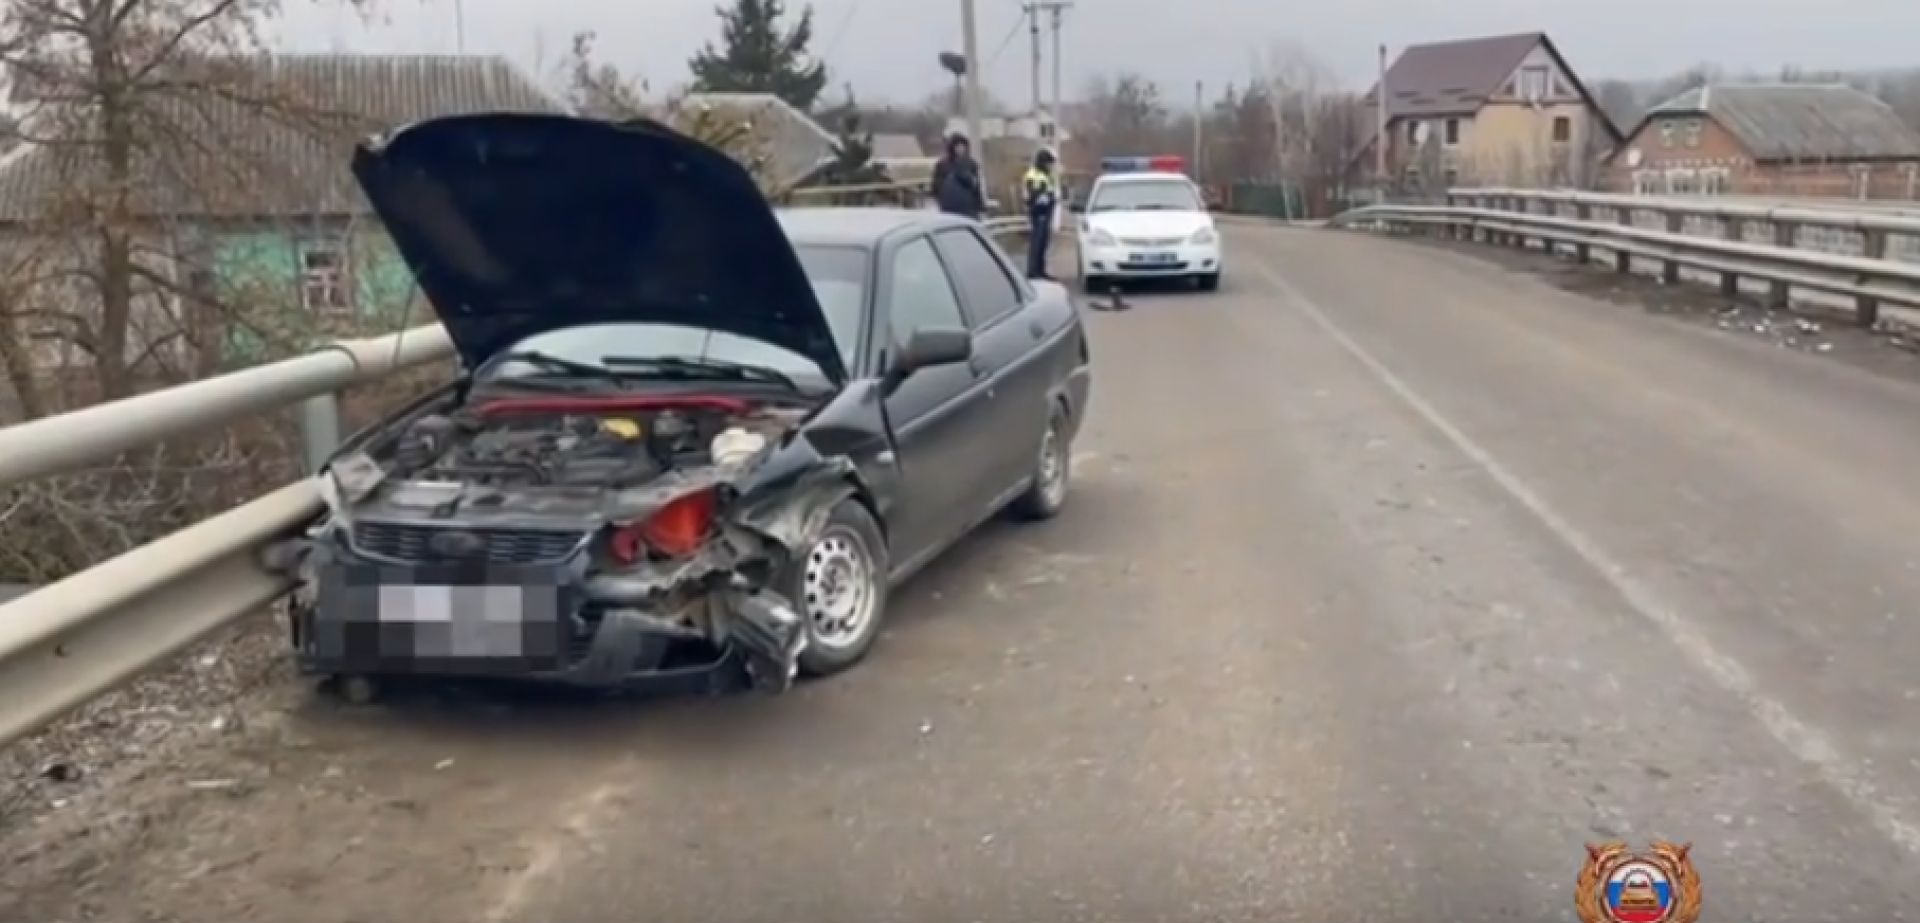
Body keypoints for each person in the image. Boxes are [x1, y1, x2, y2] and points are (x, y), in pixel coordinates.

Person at [1022, 148, 1058, 279]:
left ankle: (1040, 269)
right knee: (1037, 242)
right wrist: (1044, 198)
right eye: (1049, 163)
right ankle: (1033, 270)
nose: (1051, 166)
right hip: (1039, 212)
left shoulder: (1046, 175)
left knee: (1043, 242)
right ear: (1043, 162)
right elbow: (1033, 194)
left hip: (1045, 211)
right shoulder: (1034, 175)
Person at [931, 133, 986, 219]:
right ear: (952, 147)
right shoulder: (942, 165)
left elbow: (976, 188)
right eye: (957, 146)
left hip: (969, 206)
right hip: (949, 207)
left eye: (962, 146)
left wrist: (980, 206)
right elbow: (936, 186)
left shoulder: (971, 164)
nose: (960, 149)